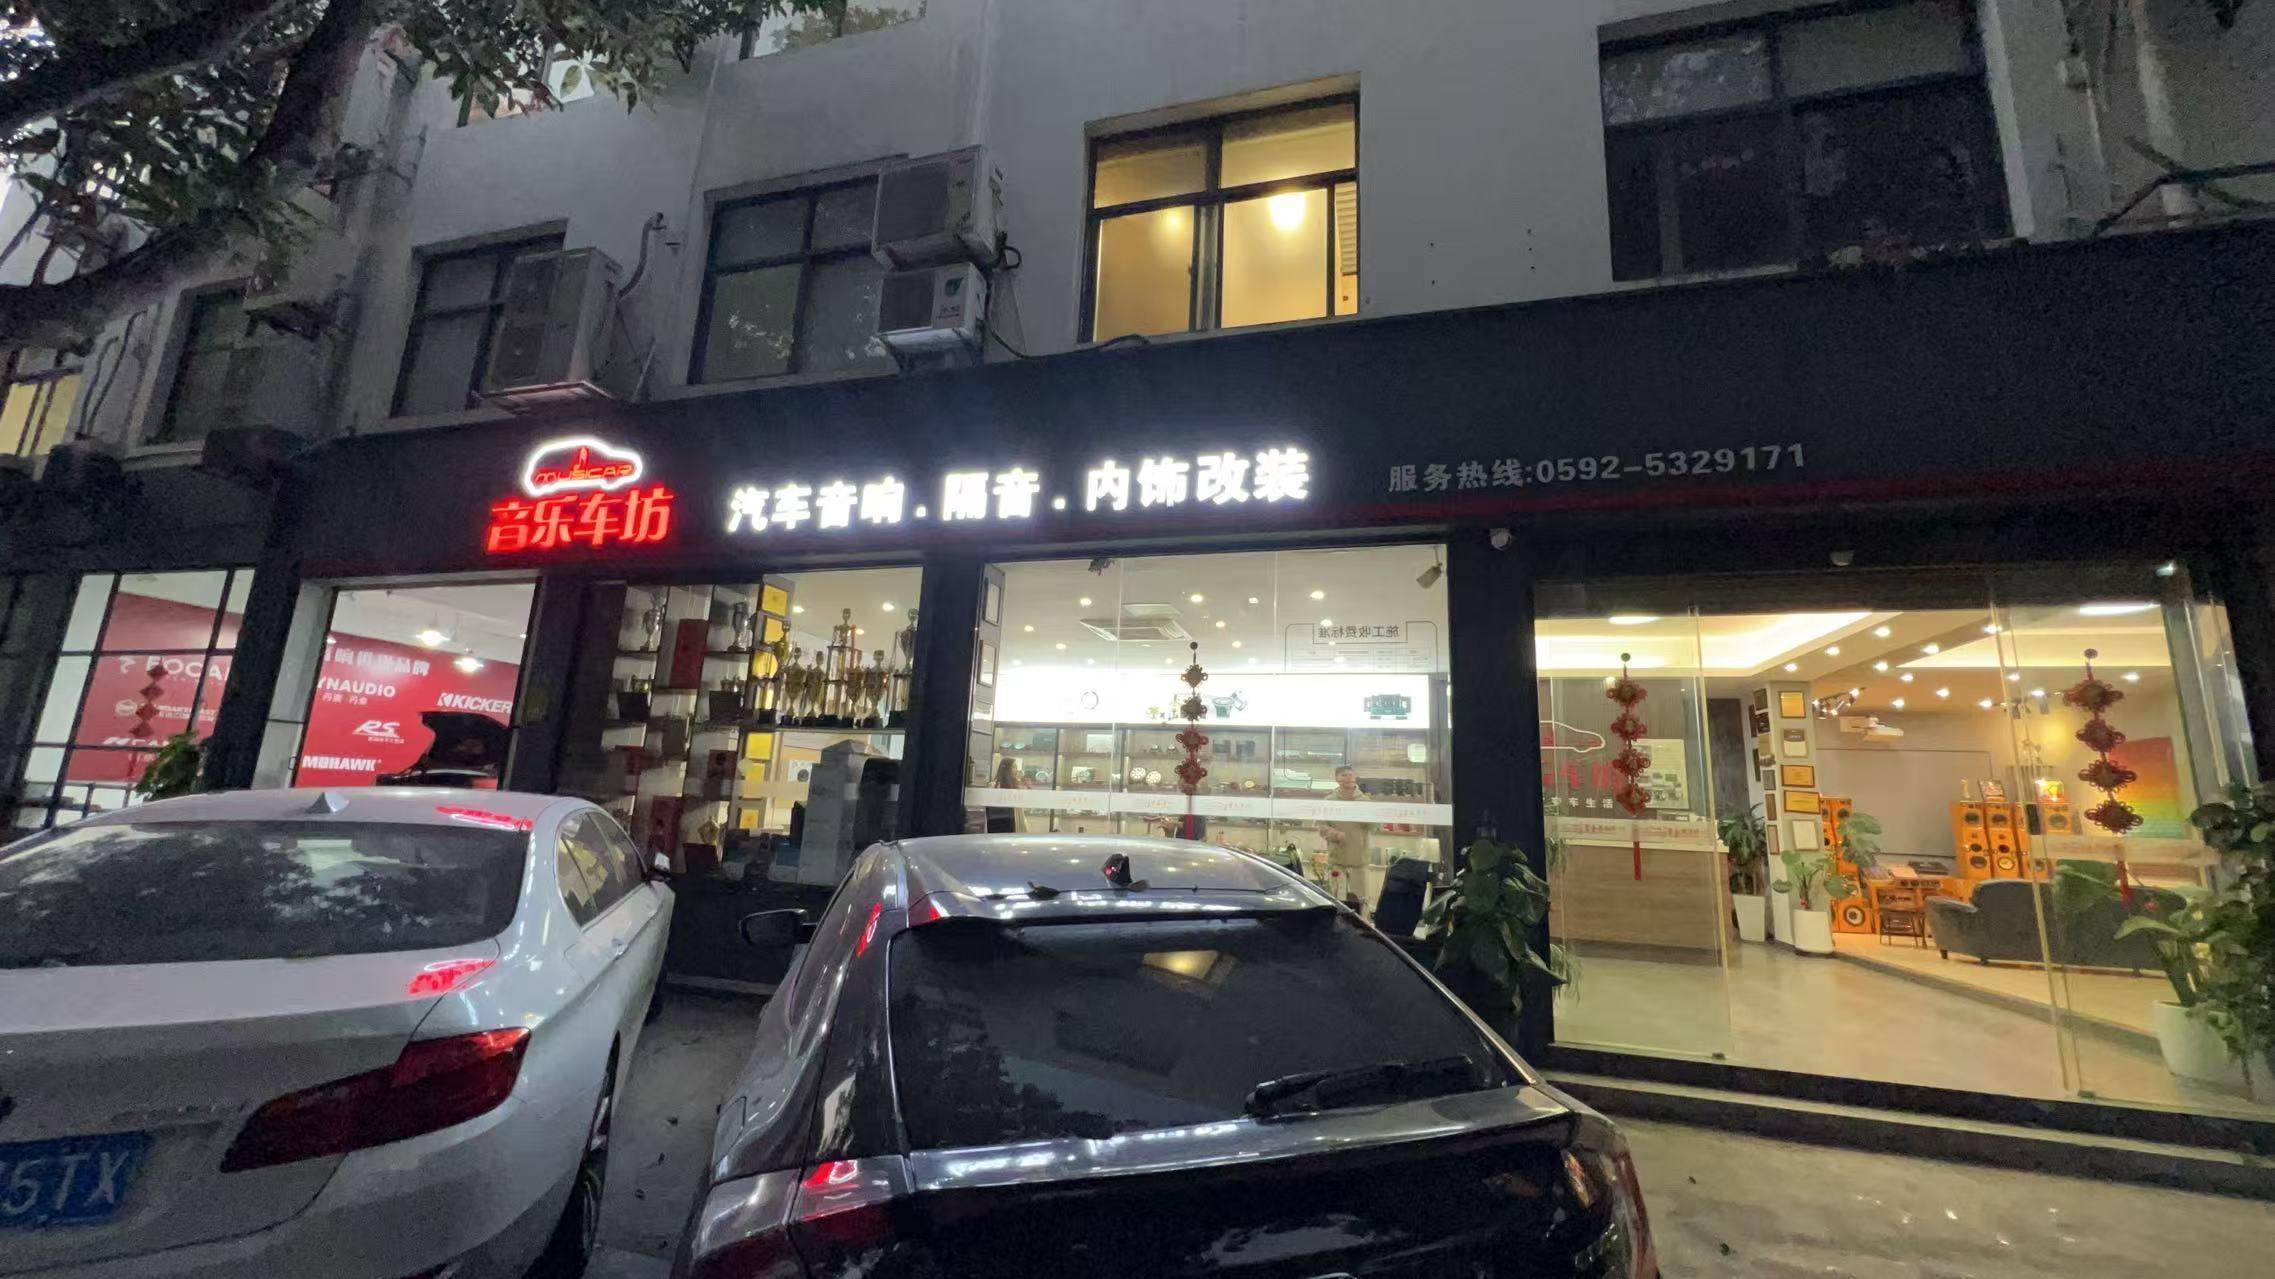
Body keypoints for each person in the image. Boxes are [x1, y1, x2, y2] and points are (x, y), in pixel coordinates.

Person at [1318, 766, 1373, 904]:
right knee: (1336, 898)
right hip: (1337, 859)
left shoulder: (1365, 802)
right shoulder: (1329, 801)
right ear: (1336, 779)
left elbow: (1374, 825)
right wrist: (1334, 834)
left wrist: (1366, 818)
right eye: (1344, 775)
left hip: (1359, 860)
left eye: (1351, 775)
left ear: (1355, 778)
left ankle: (1362, 918)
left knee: (1361, 899)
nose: (1348, 778)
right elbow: (1321, 826)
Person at [984, 756, 1028, 834]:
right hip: (998, 821)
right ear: (1006, 769)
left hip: (1014, 820)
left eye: (1016, 767)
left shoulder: (1016, 784)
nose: (1016, 770)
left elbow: (1022, 806)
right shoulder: (994, 786)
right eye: (1014, 767)